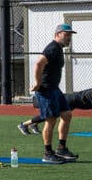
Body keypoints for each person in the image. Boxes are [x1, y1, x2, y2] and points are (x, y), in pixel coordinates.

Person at [28, 23, 79, 164]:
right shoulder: (52, 48)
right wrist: (37, 83)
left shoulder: (59, 49)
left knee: (67, 115)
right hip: (46, 90)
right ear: (57, 34)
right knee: (51, 120)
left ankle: (61, 149)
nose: (68, 37)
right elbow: (39, 63)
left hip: (55, 89)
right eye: (66, 34)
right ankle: (47, 153)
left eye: (70, 35)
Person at [18, 85, 92, 137]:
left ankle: (33, 125)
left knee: (52, 114)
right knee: (52, 115)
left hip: (73, 103)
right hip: (69, 100)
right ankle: (24, 124)